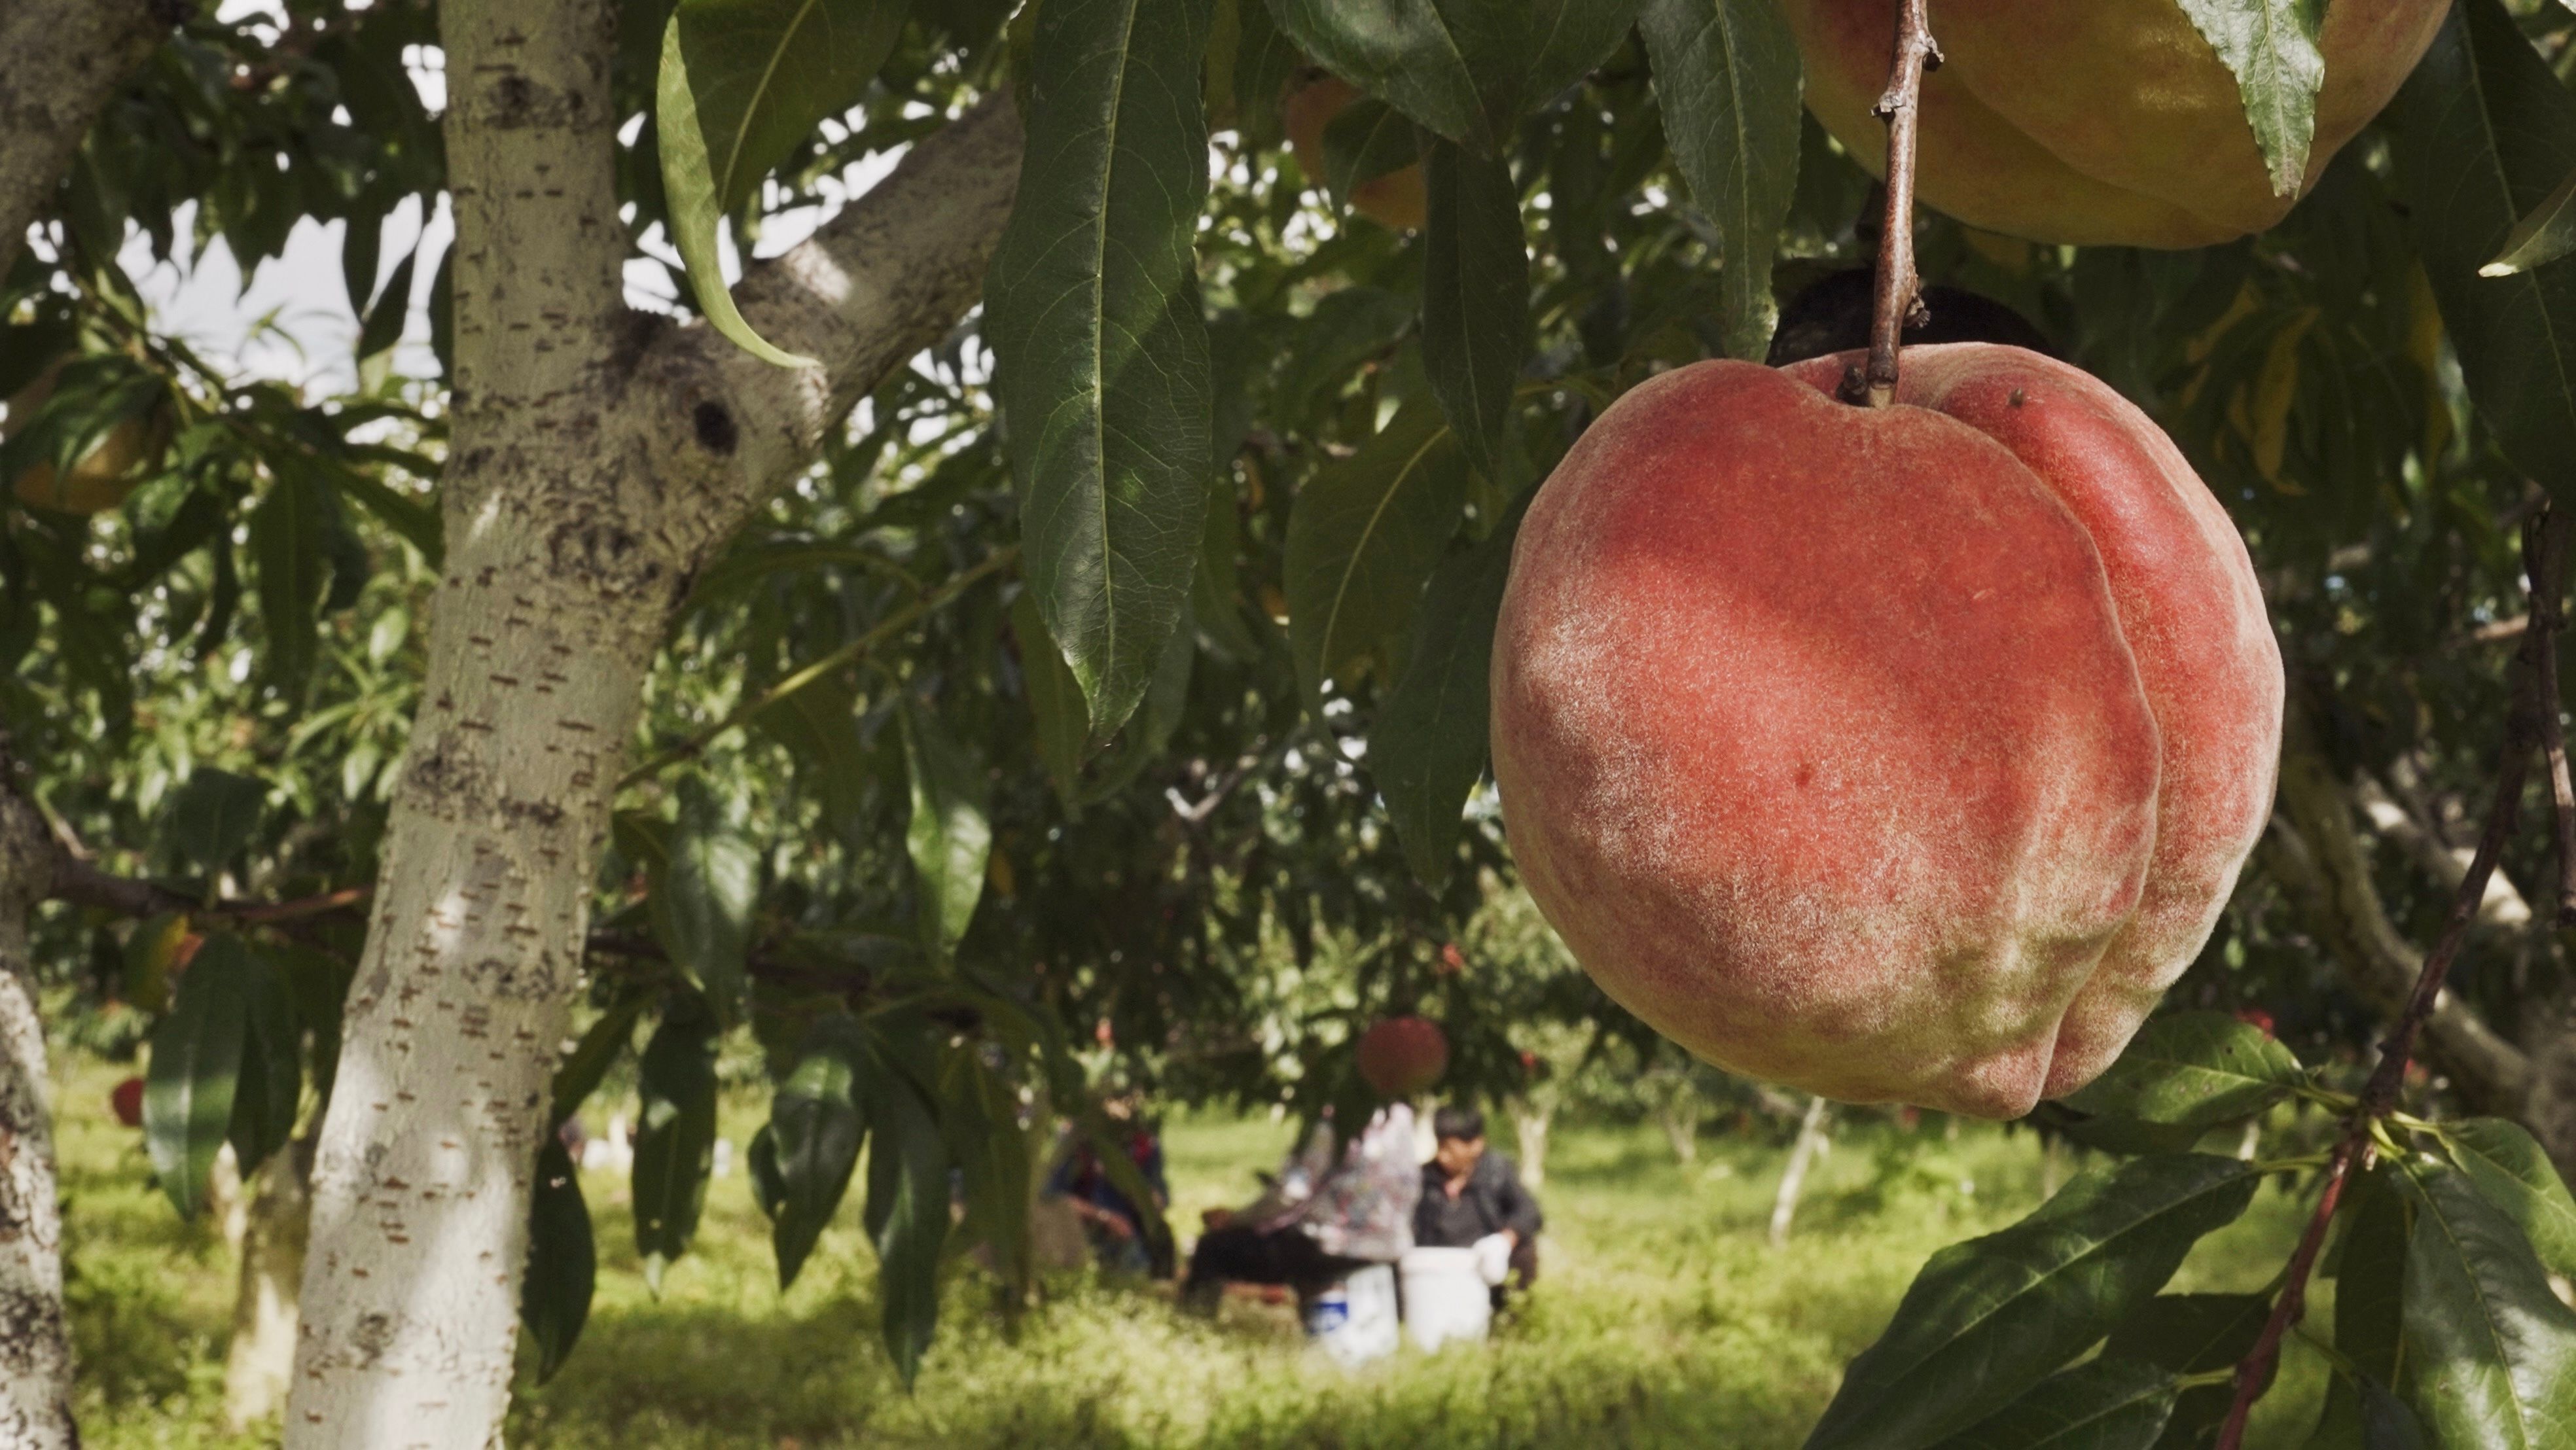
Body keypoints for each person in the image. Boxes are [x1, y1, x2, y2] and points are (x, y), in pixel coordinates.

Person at [1182, 1104, 1420, 1313]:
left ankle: (1194, 1323)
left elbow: (1292, 1192)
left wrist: (1236, 1219)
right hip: (1391, 1245)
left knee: (1212, 1248)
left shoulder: (1332, 1117)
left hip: (1332, 1248)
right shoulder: (1401, 1117)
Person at [1413, 1105, 1542, 1309]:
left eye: (1450, 1149)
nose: (1442, 1156)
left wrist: (1505, 1240)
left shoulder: (1497, 1172)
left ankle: (1510, 1317)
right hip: (1440, 1269)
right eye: (1440, 1147)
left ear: (1476, 1145)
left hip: (1487, 1266)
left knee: (1525, 1250)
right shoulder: (1424, 1178)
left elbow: (1529, 1211)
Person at [1044, 1107, 1172, 1276]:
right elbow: (1053, 1197)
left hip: (1131, 1234)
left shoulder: (1145, 1145)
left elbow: (1160, 1201)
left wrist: (1139, 1194)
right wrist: (1104, 1217)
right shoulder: (1075, 1142)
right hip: (1085, 1230)